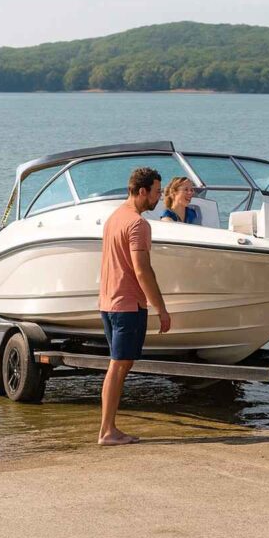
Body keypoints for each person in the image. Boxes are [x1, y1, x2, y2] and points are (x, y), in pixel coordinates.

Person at [97, 167, 171, 446]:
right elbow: (142, 270)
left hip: (109, 302)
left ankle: (109, 428)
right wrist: (161, 308)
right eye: (156, 192)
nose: (159, 197)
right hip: (126, 304)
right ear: (142, 191)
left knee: (120, 364)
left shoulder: (114, 218)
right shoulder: (138, 224)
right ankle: (107, 431)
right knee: (118, 365)